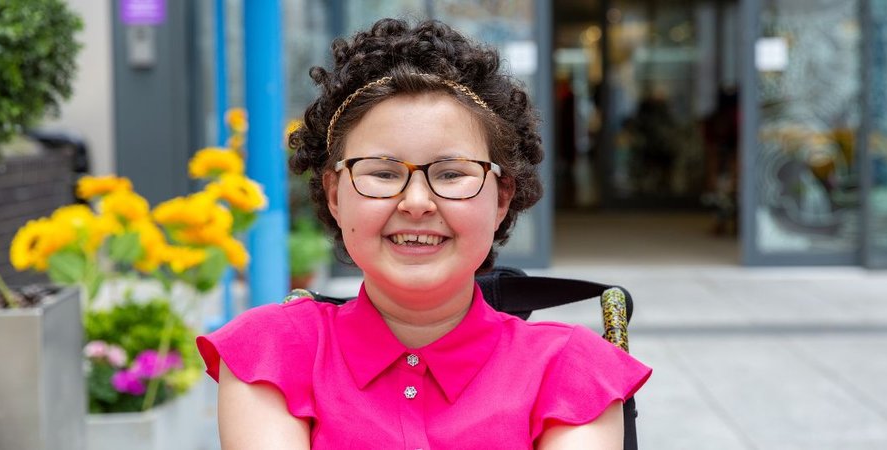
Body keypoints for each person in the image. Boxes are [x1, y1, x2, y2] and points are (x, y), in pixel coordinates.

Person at [197, 18, 651, 449]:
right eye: (382, 172)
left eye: (452, 173)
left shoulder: (571, 369)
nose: (416, 202)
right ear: (335, 195)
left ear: (501, 198)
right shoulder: (272, 352)